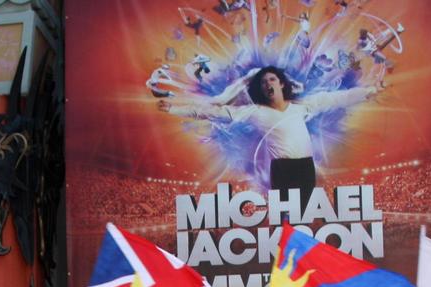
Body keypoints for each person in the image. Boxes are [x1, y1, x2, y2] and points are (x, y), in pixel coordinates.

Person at [160, 65, 381, 195]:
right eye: (263, 82)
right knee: (286, 219)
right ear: (261, 90)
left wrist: (369, 91)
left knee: (306, 217)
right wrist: (174, 108)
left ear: (281, 84)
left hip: (305, 168)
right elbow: (213, 112)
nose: (268, 84)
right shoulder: (255, 112)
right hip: (282, 170)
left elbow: (336, 98)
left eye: (272, 79)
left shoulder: (301, 107)